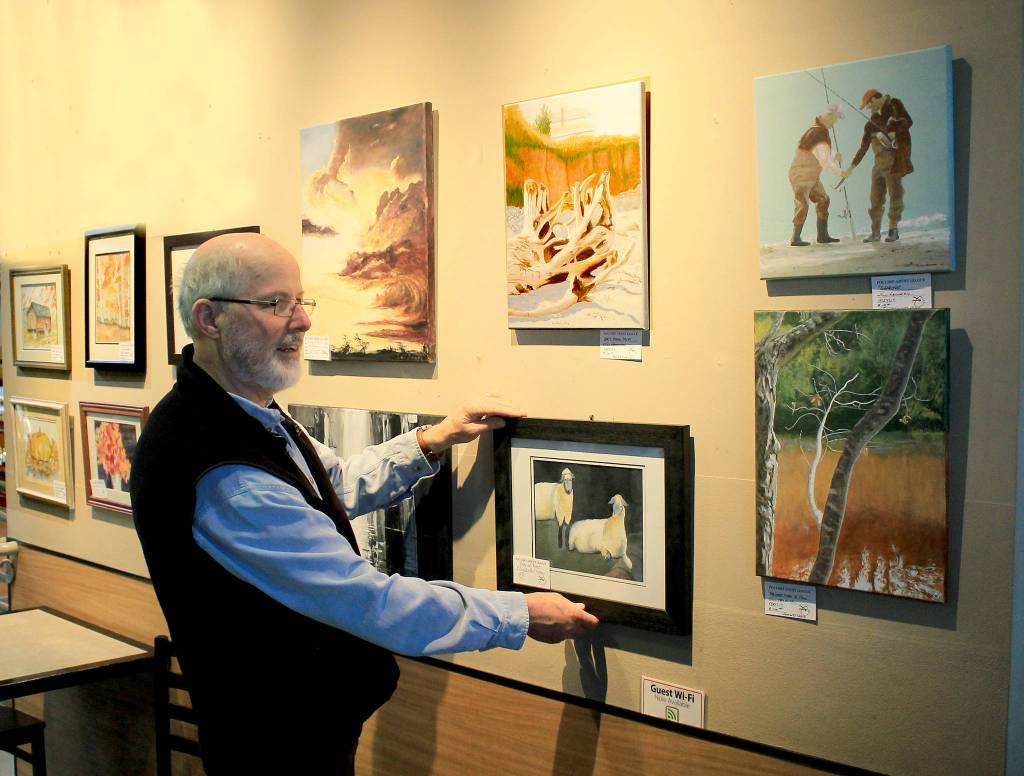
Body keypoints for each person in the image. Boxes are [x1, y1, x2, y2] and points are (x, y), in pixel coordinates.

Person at [130, 233, 598, 774]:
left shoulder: (242, 413)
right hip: (277, 747)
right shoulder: (221, 467)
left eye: (301, 301)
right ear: (209, 319)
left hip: (305, 733)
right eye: (275, 304)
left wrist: (433, 439)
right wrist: (519, 614)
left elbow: (331, 486)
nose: (302, 321)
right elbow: (368, 601)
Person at [840, 89, 914, 243]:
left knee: (895, 195)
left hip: (893, 162)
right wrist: (850, 168)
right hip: (877, 166)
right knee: (875, 200)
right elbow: (863, 148)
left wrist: (895, 131)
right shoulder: (870, 124)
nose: (868, 108)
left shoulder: (894, 104)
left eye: (868, 105)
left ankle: (893, 231)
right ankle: (875, 233)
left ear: (874, 99)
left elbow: (908, 121)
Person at [788, 104, 845, 247]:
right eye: (835, 119)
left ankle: (822, 235)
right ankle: (795, 238)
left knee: (824, 199)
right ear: (829, 117)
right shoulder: (819, 132)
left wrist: (833, 155)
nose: (835, 122)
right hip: (801, 173)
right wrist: (840, 172)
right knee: (803, 203)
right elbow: (823, 159)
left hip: (812, 175)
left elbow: (820, 152)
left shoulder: (818, 130)